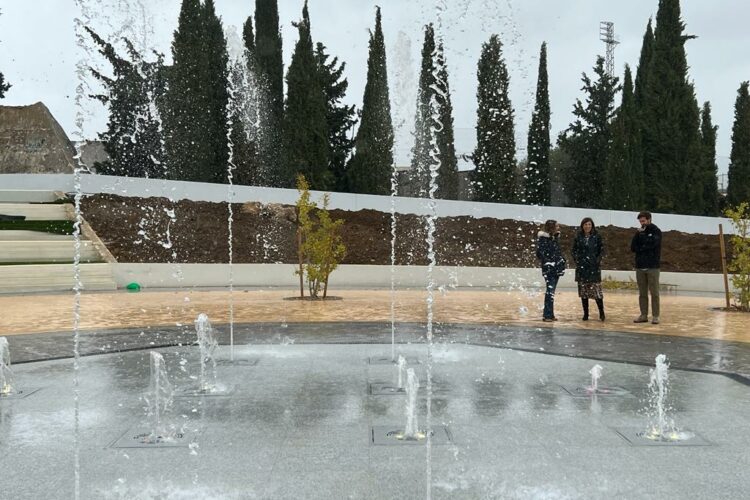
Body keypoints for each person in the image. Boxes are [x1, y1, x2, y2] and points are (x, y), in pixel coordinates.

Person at [630, 211, 662, 324]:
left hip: (652, 266)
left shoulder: (656, 231)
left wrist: (642, 242)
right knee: (642, 293)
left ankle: (655, 316)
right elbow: (633, 247)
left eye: (643, 221)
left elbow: (651, 245)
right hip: (640, 266)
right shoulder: (639, 232)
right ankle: (643, 315)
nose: (642, 223)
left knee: (654, 293)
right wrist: (637, 234)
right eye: (640, 221)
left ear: (649, 219)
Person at [571, 217, 605, 321]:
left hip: (593, 268)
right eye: (585, 224)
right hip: (582, 268)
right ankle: (586, 314)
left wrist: (597, 260)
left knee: (597, 292)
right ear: (582, 226)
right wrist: (578, 260)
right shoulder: (578, 237)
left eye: (589, 224)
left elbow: (602, 250)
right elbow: (573, 250)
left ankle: (601, 312)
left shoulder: (597, 236)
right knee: (583, 293)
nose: (587, 226)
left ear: (592, 226)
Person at [536, 219, 566, 322]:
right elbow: (540, 254)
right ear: (551, 227)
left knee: (551, 292)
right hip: (549, 269)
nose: (558, 228)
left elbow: (557, 252)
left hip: (555, 268)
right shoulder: (544, 239)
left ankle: (550, 314)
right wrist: (549, 262)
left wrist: (561, 261)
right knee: (550, 292)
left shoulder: (554, 238)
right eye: (557, 226)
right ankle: (547, 315)